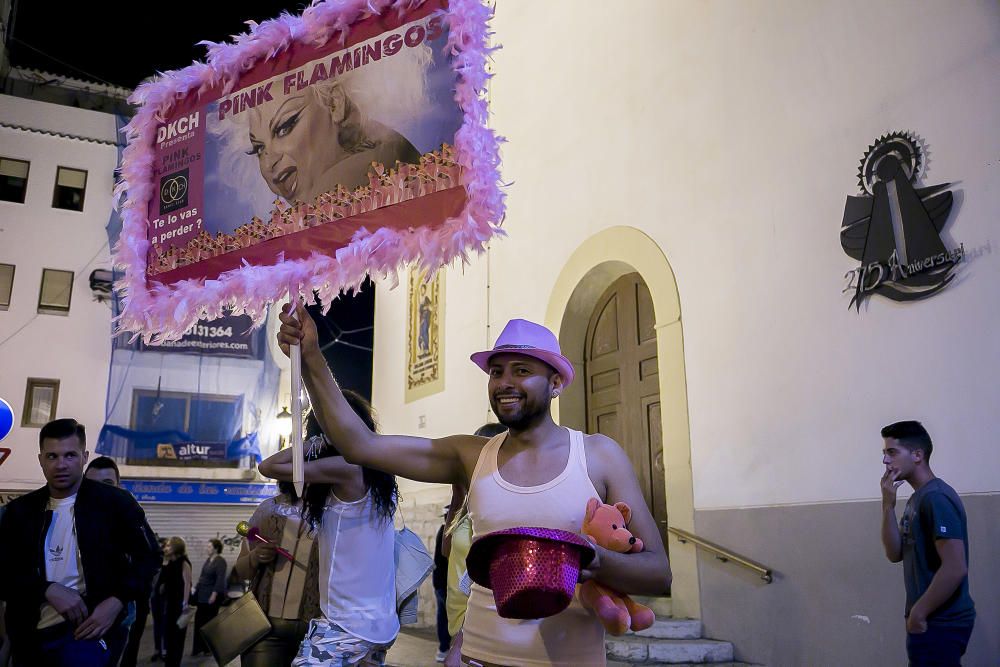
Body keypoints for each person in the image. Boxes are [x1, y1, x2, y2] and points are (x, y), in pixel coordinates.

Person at [278, 309, 672, 667]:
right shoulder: (471, 455)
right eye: (497, 372)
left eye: (521, 371)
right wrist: (311, 354)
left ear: (555, 383)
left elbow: (657, 572)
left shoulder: (599, 455)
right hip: (480, 657)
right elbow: (358, 444)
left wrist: (590, 559)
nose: (504, 383)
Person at [0, 418, 160, 667]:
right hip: (29, 638)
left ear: (84, 457)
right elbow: (4, 572)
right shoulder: (19, 512)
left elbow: (149, 557)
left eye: (70, 455)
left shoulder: (115, 504)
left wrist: (117, 600)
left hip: (91, 634)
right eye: (52, 456)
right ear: (40, 459)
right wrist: (46, 588)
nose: (61, 465)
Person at [258, 394, 401, 666]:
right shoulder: (380, 472)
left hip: (345, 626)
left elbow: (268, 466)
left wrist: (316, 441)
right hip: (380, 624)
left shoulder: (346, 468)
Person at [880, 420, 976, 666]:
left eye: (892, 453)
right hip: (928, 620)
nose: (885, 461)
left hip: (941, 621)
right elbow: (894, 553)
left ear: (917, 455)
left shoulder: (936, 497)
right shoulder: (917, 499)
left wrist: (919, 613)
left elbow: (955, 567)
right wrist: (888, 505)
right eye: (884, 454)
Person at [232, 441, 328, 666]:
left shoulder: (334, 513)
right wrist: (256, 557)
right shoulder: (267, 510)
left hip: (318, 631)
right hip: (265, 628)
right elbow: (241, 571)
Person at [443, 423, 507, 667]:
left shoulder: (499, 508)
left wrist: (460, 640)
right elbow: (446, 551)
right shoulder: (469, 501)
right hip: (456, 615)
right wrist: (457, 495)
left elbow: (489, 578)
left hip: (477, 620)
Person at [191, 539, 227, 657]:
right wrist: (195, 589)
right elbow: (202, 577)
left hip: (212, 596)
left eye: (209, 547)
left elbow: (220, 579)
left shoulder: (220, 562)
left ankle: (208, 648)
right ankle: (197, 648)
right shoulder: (208, 560)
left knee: (209, 623)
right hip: (202, 595)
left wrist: (214, 594)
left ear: (216, 548)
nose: (207, 548)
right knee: (199, 621)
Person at [159, 537, 192, 667]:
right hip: (169, 603)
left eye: (168, 546)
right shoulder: (169, 563)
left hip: (179, 604)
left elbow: (187, 585)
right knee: (168, 635)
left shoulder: (184, 563)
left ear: (176, 547)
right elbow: (164, 582)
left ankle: (174, 663)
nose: (165, 548)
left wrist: (185, 603)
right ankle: (169, 662)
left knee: (177, 637)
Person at [432, 520, 450, 662]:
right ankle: (444, 648)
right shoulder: (446, 531)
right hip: (445, 584)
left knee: (443, 615)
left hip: (441, 583)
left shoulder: (443, 530)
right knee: (445, 616)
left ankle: (444, 649)